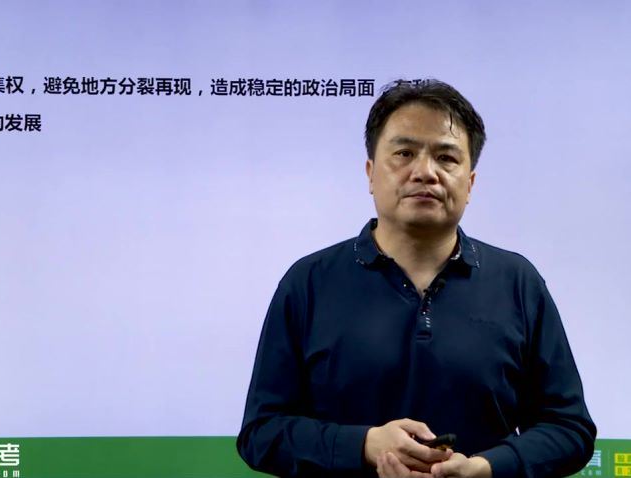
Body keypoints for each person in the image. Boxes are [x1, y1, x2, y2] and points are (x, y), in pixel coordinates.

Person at [237, 79, 596, 478]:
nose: (425, 172)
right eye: (404, 153)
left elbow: (569, 429)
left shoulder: (518, 283)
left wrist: (486, 468)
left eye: (446, 158)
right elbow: (261, 433)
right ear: (370, 173)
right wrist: (363, 445)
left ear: (470, 183)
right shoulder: (308, 283)